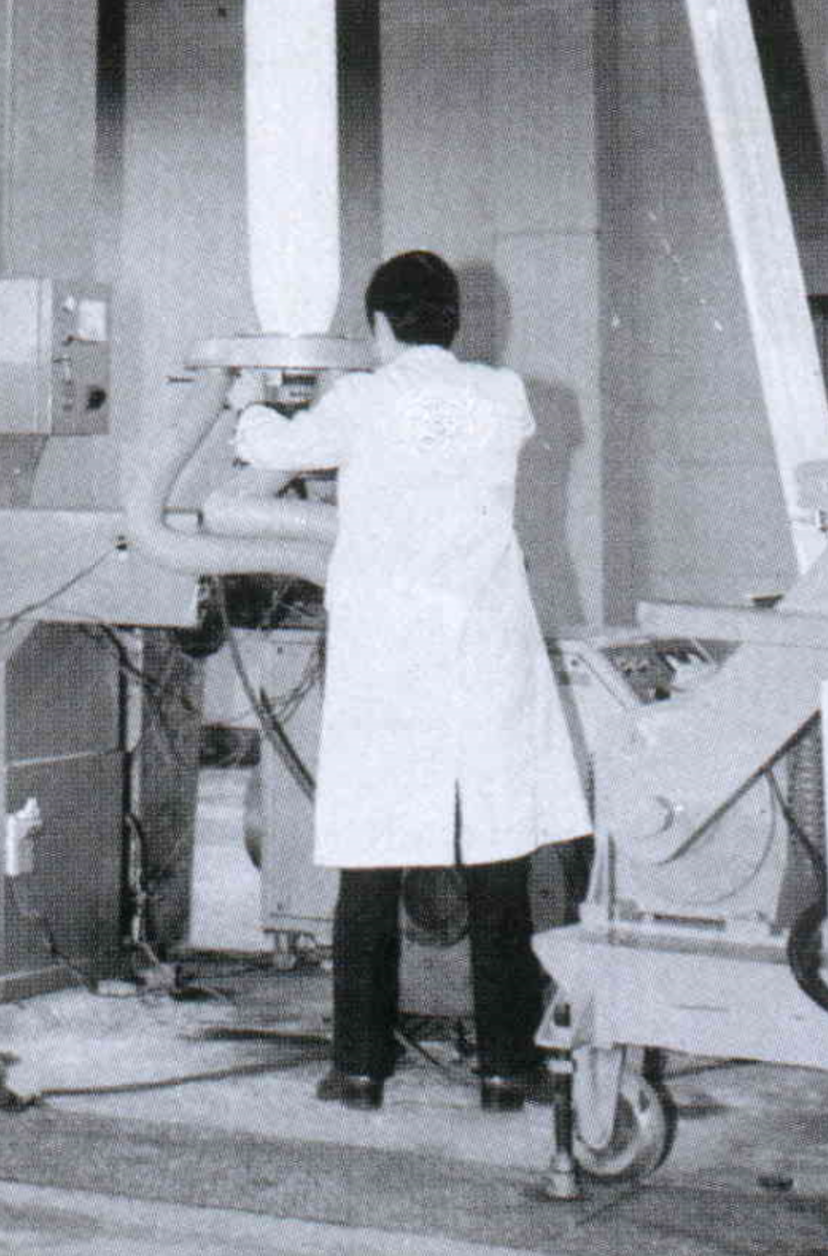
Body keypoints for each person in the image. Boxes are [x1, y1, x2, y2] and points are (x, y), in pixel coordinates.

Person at [230, 251, 593, 1112]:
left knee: (371, 862)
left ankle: (360, 1070)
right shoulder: (502, 394)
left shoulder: (361, 401)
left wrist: (246, 398)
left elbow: (271, 449)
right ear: (454, 320)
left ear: (379, 325)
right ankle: (506, 1069)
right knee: (499, 860)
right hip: (483, 647)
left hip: (392, 655)